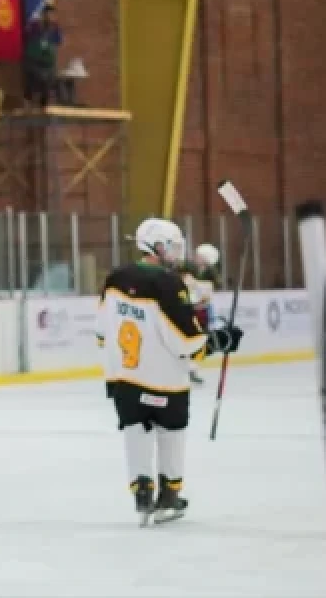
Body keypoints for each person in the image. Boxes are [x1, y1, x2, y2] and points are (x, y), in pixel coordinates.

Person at [96, 218, 243, 525]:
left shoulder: (114, 278)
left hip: (124, 377)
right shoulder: (167, 283)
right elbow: (185, 340)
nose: (177, 252)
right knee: (171, 432)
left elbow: (101, 331)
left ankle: (141, 491)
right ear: (157, 246)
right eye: (173, 245)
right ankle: (169, 494)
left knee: (134, 429)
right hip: (164, 380)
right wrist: (218, 342)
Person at [179, 243, 221, 385]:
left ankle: (192, 370)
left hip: (200, 312)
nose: (196, 257)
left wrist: (194, 284)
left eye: (199, 256)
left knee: (198, 343)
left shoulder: (209, 276)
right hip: (187, 311)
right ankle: (184, 369)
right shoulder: (188, 270)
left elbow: (205, 295)